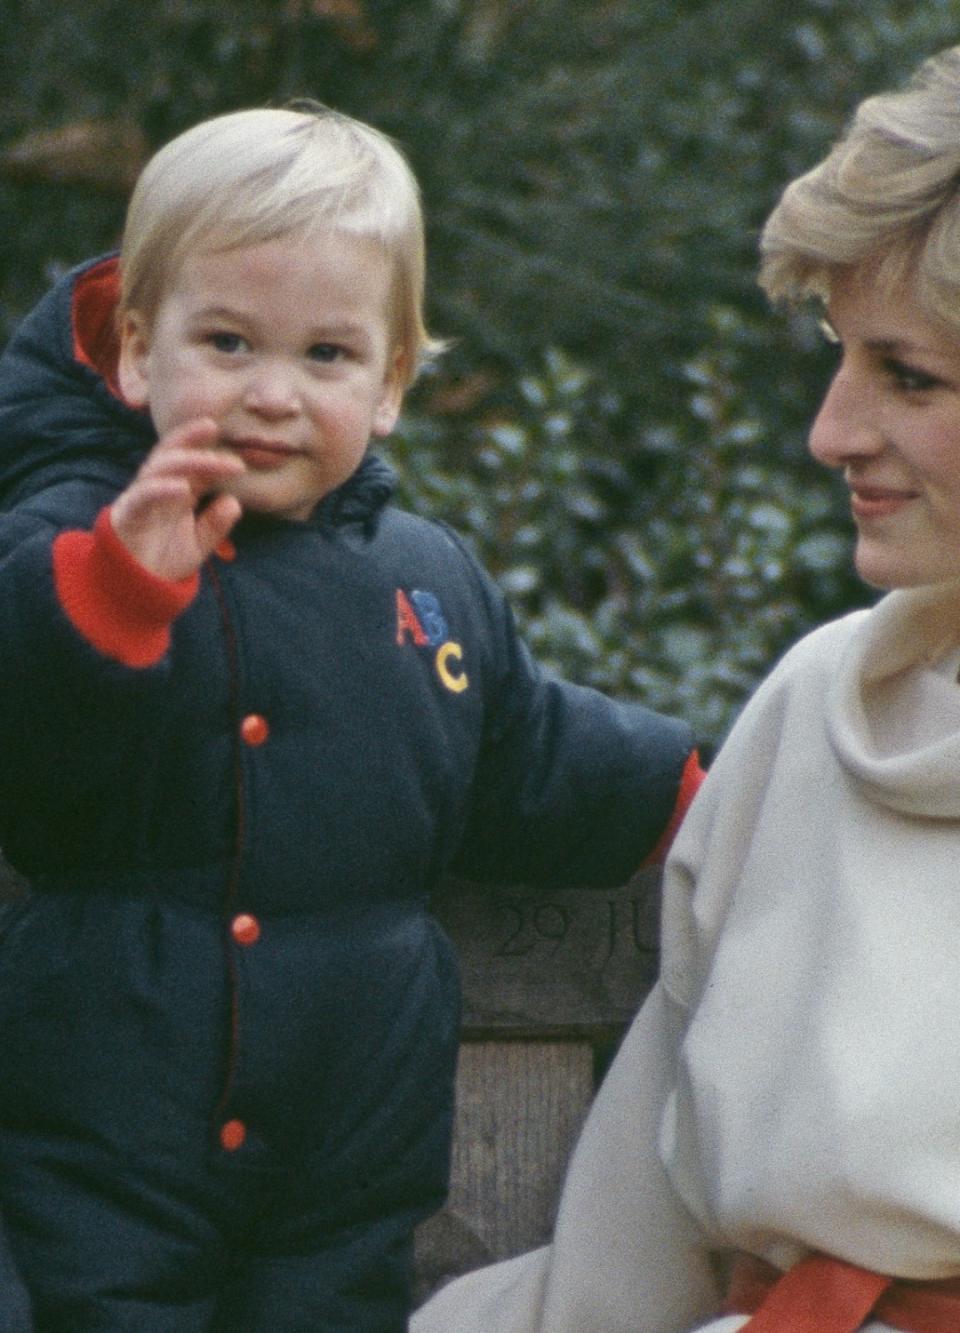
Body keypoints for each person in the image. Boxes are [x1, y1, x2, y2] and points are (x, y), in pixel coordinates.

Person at [0, 104, 703, 1332]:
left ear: (389, 387)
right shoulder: (71, 534)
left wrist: (729, 800)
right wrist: (115, 585)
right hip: (101, 1116)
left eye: (326, 357)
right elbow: (30, 711)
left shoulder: (424, 581)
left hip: (348, 1150)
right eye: (226, 340)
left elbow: (528, 756)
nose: (272, 393)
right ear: (130, 351)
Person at [411, 40, 960, 1333]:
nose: (832, 431)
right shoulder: (816, 709)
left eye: (911, 375)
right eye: (840, 357)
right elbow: (622, 1252)